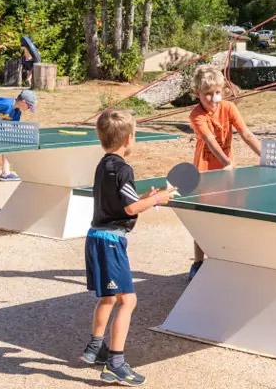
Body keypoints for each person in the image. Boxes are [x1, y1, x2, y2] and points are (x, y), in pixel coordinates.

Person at [81, 109, 175, 386]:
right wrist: (159, 200)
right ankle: (115, 363)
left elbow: (126, 200)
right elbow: (132, 207)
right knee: (128, 300)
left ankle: (95, 347)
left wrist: (147, 196)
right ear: (128, 139)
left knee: (109, 297)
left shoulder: (103, 164)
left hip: (95, 236)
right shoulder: (124, 168)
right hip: (111, 242)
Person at [186, 65, 262, 280]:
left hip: (227, 172)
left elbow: (246, 134)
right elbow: (210, 141)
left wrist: (266, 156)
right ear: (197, 94)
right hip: (205, 173)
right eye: (207, 94)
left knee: (230, 215)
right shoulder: (196, 115)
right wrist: (226, 162)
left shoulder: (228, 108)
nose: (213, 98)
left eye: (217, 92)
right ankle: (198, 263)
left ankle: (228, 258)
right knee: (204, 220)